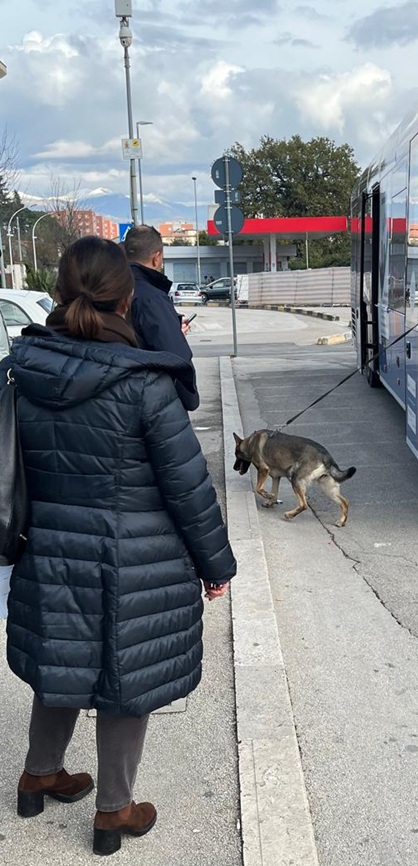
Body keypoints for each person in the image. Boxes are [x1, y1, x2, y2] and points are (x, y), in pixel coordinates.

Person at [1, 236, 236, 856]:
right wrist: (215, 566)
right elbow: (190, 489)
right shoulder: (144, 386)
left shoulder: (21, 372)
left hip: (49, 552)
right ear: (128, 299)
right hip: (136, 559)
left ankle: (38, 776)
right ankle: (114, 811)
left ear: (58, 296)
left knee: (63, 664)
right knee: (124, 680)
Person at [124, 224, 199, 411]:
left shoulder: (114, 289)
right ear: (156, 258)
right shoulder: (151, 298)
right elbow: (176, 356)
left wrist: (171, 328)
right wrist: (190, 398)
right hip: (155, 403)